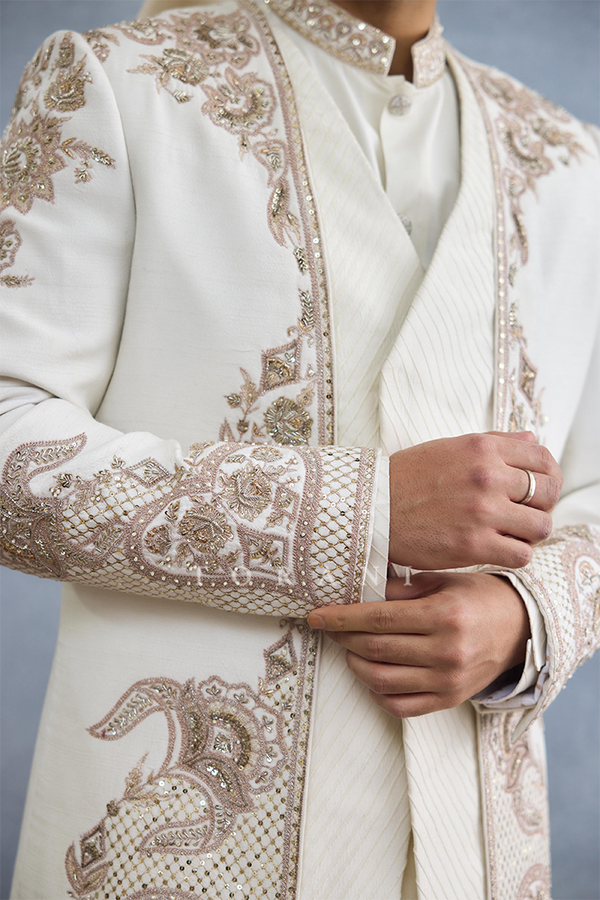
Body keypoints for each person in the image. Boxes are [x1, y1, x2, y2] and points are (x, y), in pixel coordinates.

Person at [1, 0, 599, 897]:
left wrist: (525, 617)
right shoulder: (124, 84)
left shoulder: (569, 160)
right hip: (182, 847)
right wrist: (365, 512)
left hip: (476, 849)